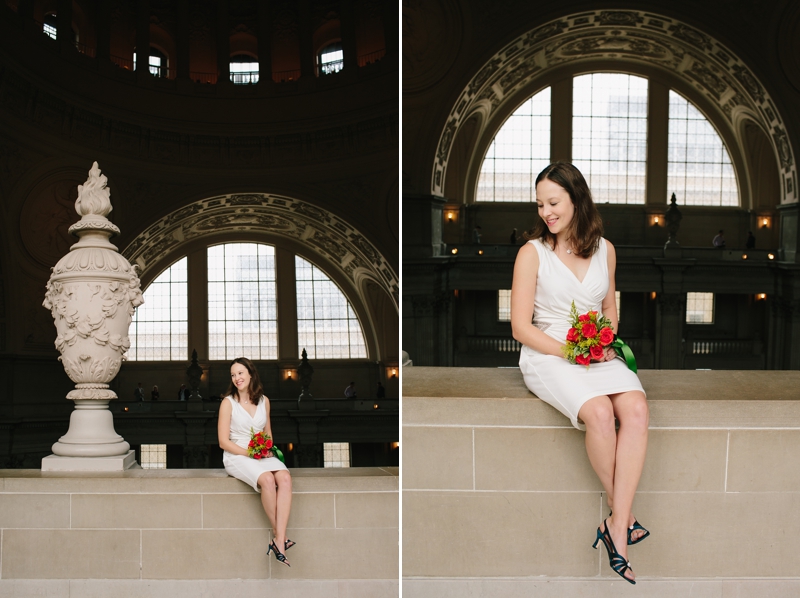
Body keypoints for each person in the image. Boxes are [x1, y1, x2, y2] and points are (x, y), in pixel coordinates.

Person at [511, 162, 649, 584]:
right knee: (601, 415)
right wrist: (571, 350)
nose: (545, 213)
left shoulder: (605, 250)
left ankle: (614, 523)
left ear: (576, 199)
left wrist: (603, 342)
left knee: (637, 410)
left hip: (596, 352)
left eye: (553, 202)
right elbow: (520, 326)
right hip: (548, 352)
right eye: (540, 205)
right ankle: (622, 525)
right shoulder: (531, 253)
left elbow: (609, 312)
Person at [218, 357, 294, 566]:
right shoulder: (228, 403)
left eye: (240, 373)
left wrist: (266, 449)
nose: (237, 378)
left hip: (260, 453)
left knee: (285, 478)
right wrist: (249, 453)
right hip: (237, 454)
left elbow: (268, 434)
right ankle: (280, 537)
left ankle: (278, 540)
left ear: (251, 374)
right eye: (233, 375)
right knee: (268, 481)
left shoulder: (264, 401)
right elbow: (223, 442)